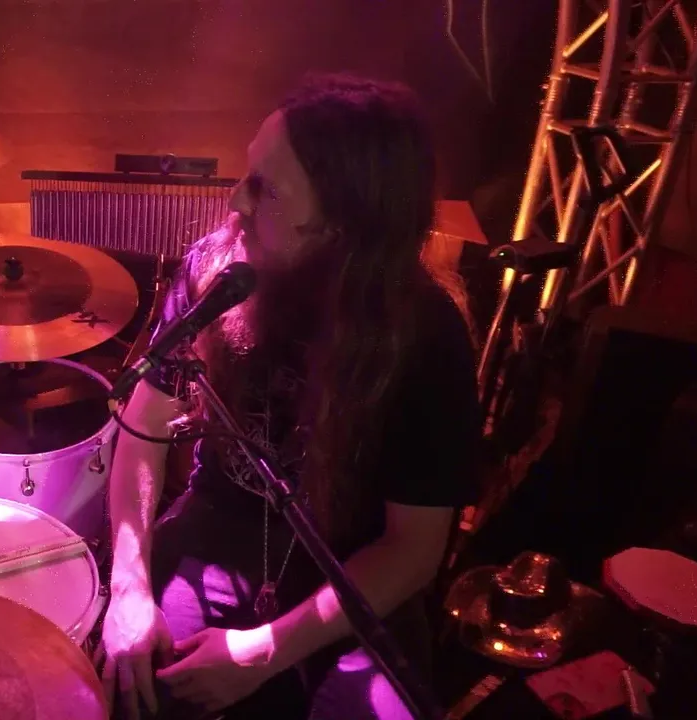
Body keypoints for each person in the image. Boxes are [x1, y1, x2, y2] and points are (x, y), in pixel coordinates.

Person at [98, 74, 483, 720]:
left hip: (354, 570)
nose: (235, 201)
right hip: (220, 528)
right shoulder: (216, 272)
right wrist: (129, 585)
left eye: (266, 189)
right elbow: (144, 428)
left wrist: (263, 653)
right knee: (124, 687)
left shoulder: (426, 336)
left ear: (343, 224)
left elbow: (413, 549)